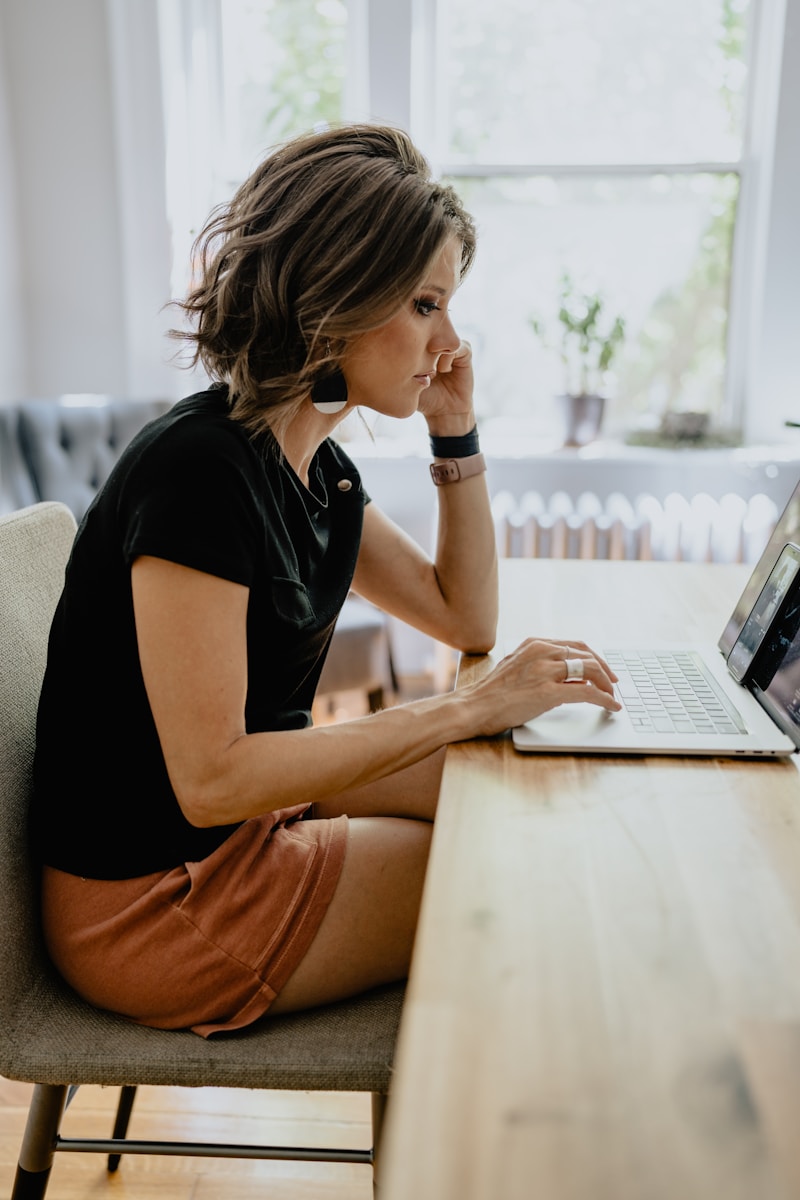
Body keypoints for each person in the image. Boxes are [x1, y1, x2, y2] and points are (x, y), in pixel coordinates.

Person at [32, 124, 620, 1037]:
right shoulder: (197, 472)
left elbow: (464, 614)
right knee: (509, 860)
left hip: (246, 829)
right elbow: (212, 781)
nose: (451, 341)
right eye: (426, 305)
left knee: (522, 788)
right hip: (158, 902)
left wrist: (455, 432)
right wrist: (463, 708)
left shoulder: (319, 473)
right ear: (335, 295)